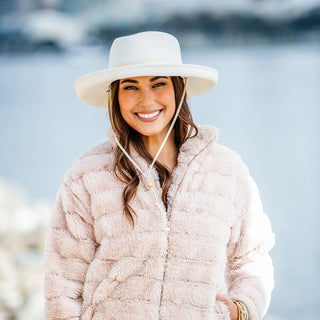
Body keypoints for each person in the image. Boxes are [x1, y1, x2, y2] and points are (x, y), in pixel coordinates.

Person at [44, 31, 274, 320]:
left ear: (179, 88)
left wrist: (241, 308)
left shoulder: (225, 170)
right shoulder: (88, 173)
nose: (146, 100)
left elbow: (252, 257)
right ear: (114, 96)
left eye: (159, 84)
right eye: (131, 87)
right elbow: (62, 281)